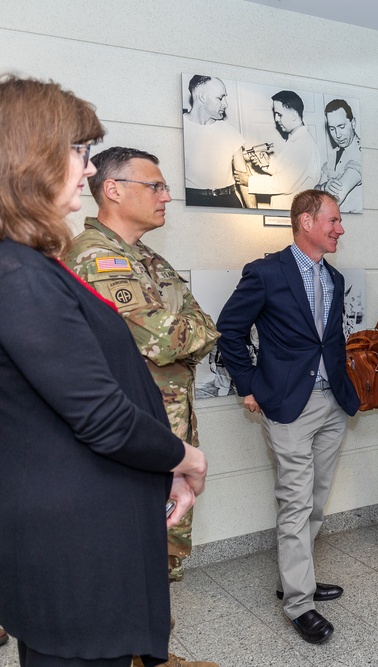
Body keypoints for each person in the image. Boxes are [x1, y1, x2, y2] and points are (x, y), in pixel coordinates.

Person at [0, 75, 207, 667]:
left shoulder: (31, 262)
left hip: (87, 519)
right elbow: (100, 414)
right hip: (72, 544)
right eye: (77, 151)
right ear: (30, 155)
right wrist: (185, 458)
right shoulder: (18, 273)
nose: (86, 171)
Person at [66, 146, 220, 585]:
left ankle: (152, 654)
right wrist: (187, 333)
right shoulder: (96, 258)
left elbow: (205, 327)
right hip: (131, 439)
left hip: (166, 436)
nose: (166, 196)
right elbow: (163, 339)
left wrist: (187, 332)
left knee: (160, 555)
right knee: (129, 560)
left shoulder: (149, 259)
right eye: (155, 186)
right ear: (112, 190)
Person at [216, 189, 360, 645]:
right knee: (296, 504)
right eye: (333, 221)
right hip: (288, 406)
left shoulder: (334, 278)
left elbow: (328, 341)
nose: (340, 229)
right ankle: (299, 602)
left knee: (316, 499)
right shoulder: (264, 273)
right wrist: (251, 385)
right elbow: (230, 334)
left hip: (332, 404)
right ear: (305, 221)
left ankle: (295, 577)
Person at [182, 75, 250, 208]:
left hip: (229, 202)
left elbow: (242, 178)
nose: (226, 104)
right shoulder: (178, 128)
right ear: (202, 97)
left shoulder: (231, 132)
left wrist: (253, 213)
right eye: (220, 98)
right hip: (192, 202)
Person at [246, 91, 321, 210]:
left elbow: (284, 183)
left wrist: (249, 181)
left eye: (279, 114)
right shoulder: (296, 140)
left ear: (294, 115)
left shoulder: (303, 144)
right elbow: (288, 169)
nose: (276, 119)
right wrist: (268, 163)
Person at [318, 99, 362, 213]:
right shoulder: (334, 154)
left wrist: (321, 189)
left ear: (353, 123)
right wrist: (324, 187)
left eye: (341, 127)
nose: (337, 135)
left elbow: (333, 200)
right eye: (332, 129)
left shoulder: (360, 154)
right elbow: (316, 189)